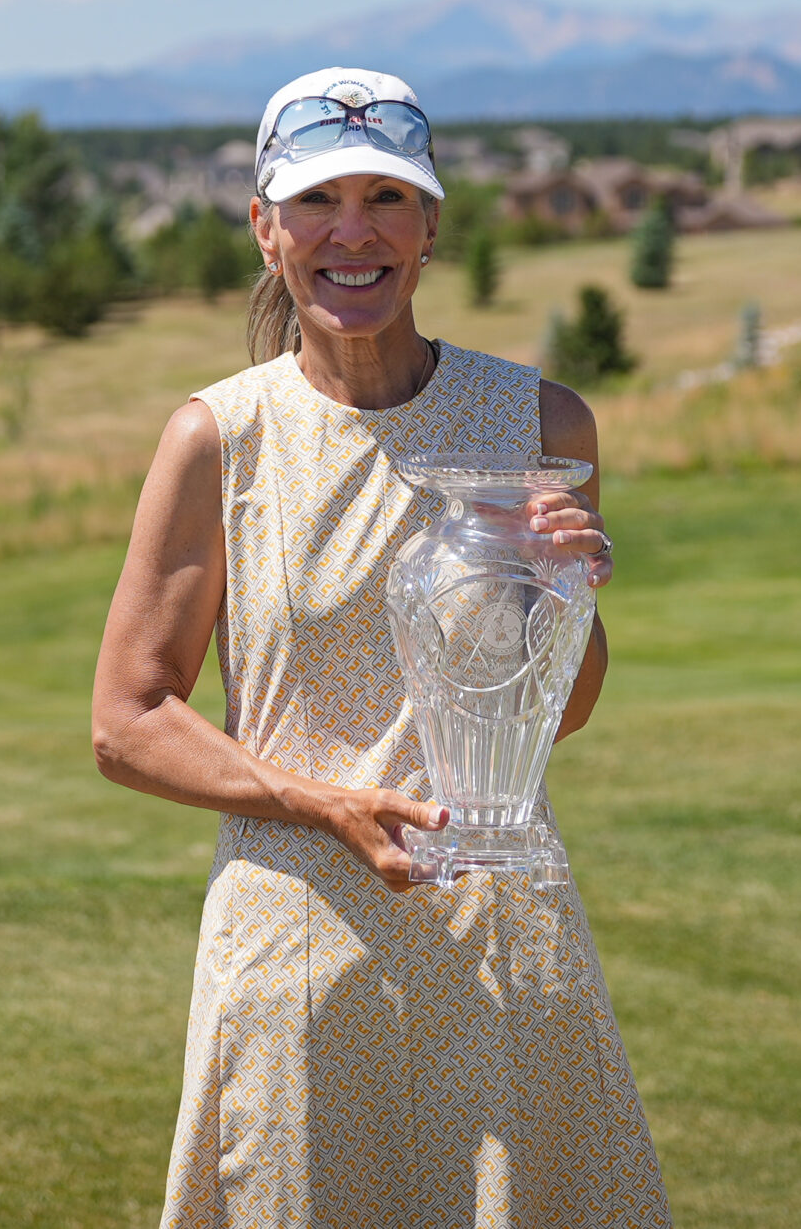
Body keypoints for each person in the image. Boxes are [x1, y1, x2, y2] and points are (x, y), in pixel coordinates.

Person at [92, 68, 672, 1227]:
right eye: (315, 202)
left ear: (430, 227)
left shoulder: (541, 424)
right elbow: (127, 723)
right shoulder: (220, 437)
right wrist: (325, 806)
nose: (349, 233)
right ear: (265, 230)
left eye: (384, 200)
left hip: (503, 933)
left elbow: (560, 710)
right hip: (299, 944)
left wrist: (567, 596)